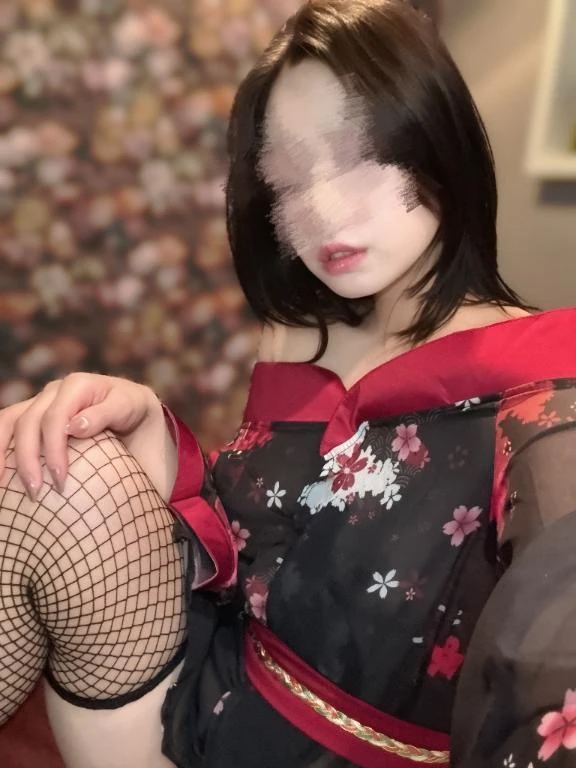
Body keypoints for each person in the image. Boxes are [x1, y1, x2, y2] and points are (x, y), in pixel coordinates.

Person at [2, 0, 576, 766]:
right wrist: (150, 432)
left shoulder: (544, 386)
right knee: (50, 465)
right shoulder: (307, 330)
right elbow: (268, 535)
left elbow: (553, 662)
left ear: (436, 139)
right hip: (210, 691)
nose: (324, 210)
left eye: (360, 157)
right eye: (290, 178)